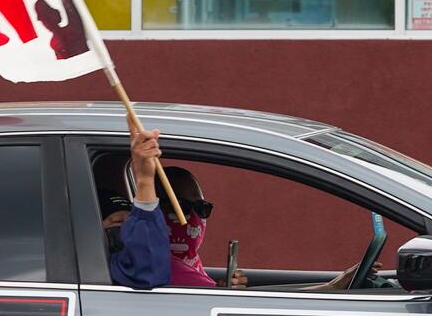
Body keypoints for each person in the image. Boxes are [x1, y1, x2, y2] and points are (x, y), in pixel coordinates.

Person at [102, 120, 376, 290]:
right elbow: (266, 314)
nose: (192, 220)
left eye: (202, 209)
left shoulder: (184, 264)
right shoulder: (158, 266)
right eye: (179, 207)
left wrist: (224, 291)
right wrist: (331, 287)